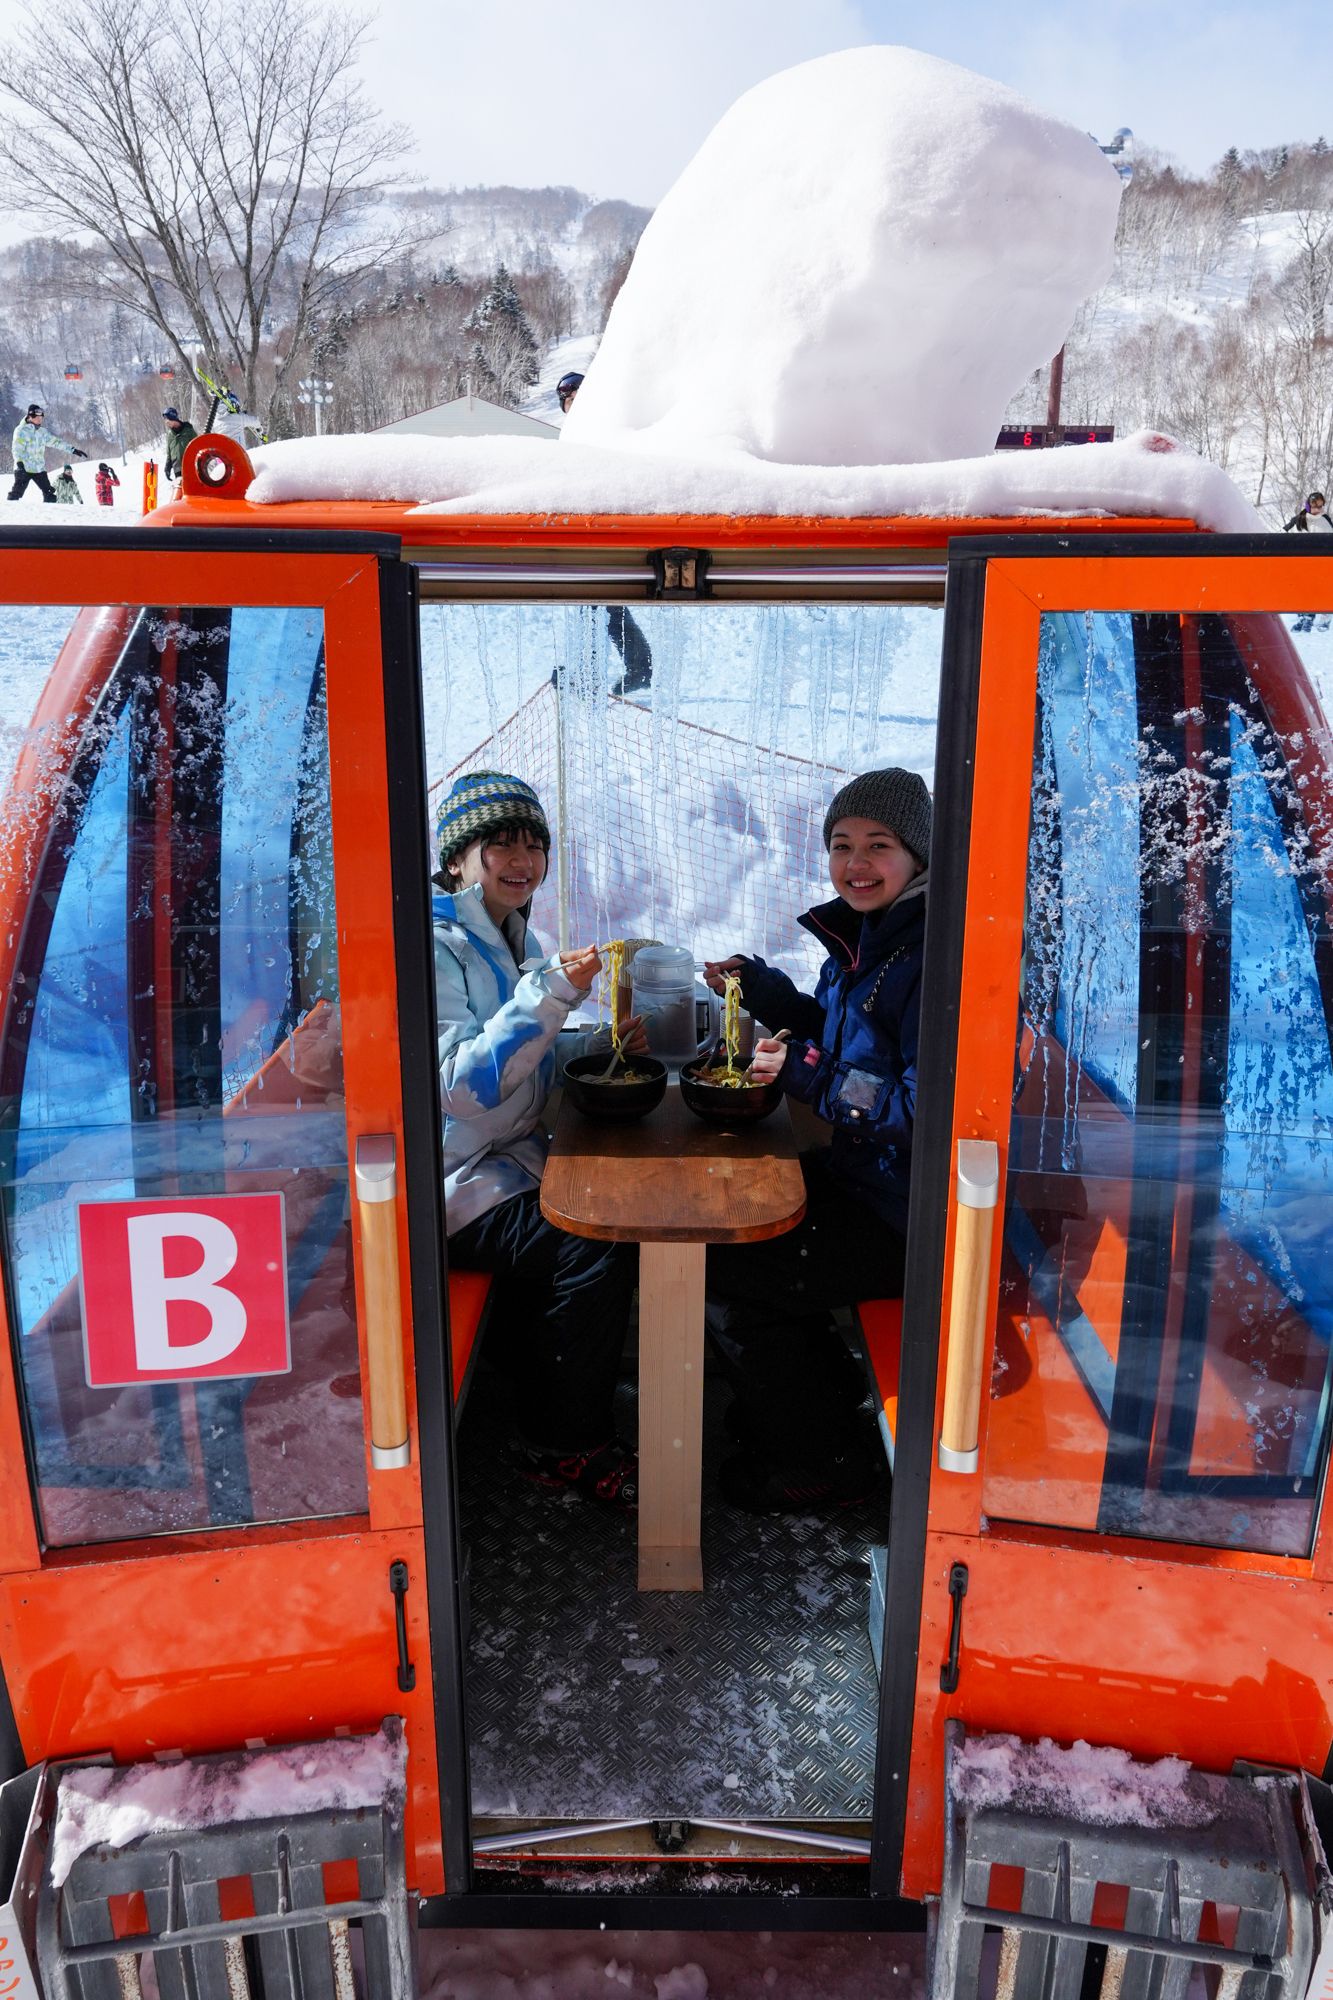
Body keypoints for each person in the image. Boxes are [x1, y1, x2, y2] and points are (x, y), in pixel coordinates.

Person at [701, 768, 930, 1511]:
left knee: (733, 1271)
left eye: (878, 845)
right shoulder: (870, 937)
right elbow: (843, 1040)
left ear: (917, 856)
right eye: (841, 844)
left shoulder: (935, 957)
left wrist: (807, 1073)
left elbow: (921, 1107)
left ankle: (819, 1460)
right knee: (729, 1232)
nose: (855, 863)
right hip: (870, 1178)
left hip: (916, 1215)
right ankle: (812, 1411)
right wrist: (768, 995)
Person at [433, 770, 642, 1506]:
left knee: (603, 1208)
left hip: (500, 1160)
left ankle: (548, 1388)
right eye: (499, 843)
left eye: (532, 843)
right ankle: (559, 1446)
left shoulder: (512, 934)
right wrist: (550, 993)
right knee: (591, 1242)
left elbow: (527, 1062)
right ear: (458, 857)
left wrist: (605, 1045)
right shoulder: (434, 945)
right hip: (444, 1186)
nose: (521, 859)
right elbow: (463, 1086)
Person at [8, 405, 87, 502]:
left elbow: (56, 442)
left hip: (39, 468)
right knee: (17, 492)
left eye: (41, 418)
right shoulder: (21, 430)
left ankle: (49, 515)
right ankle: (10, 510)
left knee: (49, 493)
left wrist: (72, 449)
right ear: (30, 417)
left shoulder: (42, 432)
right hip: (23, 467)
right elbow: (17, 448)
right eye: (38, 417)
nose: (40, 420)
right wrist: (19, 462)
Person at [1285, 492, 1333, 632]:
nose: (1317, 509)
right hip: (1301, 563)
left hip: (1320, 563)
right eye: (1314, 505)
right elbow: (1281, 534)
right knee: (1302, 591)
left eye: (1320, 506)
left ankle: (1317, 618)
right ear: (1308, 505)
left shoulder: (1325, 520)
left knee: (1317, 590)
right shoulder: (1299, 520)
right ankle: (1303, 618)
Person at [162, 406, 198, 484]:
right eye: (165, 420)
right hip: (177, 470)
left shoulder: (189, 431)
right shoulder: (169, 435)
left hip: (190, 467)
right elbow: (169, 454)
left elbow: (198, 447)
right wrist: (167, 467)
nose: (166, 423)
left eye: (168, 420)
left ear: (173, 418)